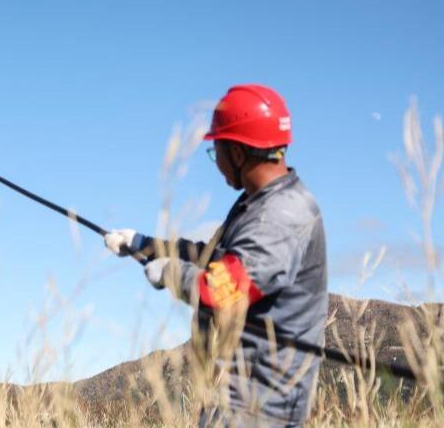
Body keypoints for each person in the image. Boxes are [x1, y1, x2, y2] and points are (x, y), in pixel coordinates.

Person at [104, 84, 328, 428]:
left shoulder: (281, 217)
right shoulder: (257, 203)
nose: (217, 162)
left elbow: (221, 291)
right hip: (238, 400)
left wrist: (169, 273)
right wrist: (144, 244)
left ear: (237, 153)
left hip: (262, 409)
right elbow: (216, 259)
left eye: (216, 150)